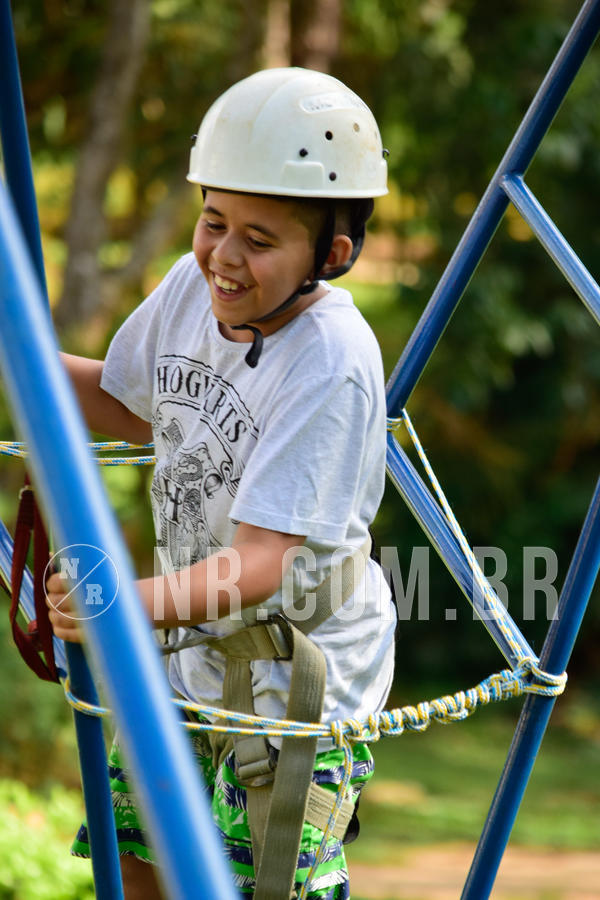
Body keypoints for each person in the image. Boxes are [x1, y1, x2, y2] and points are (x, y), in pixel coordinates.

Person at [47, 66, 396, 900]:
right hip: (187, 646)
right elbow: (138, 407)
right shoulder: (193, 287)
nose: (224, 257)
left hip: (287, 682)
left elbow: (265, 560)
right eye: (214, 222)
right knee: (135, 869)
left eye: (260, 239)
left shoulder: (332, 363)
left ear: (333, 254)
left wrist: (119, 606)